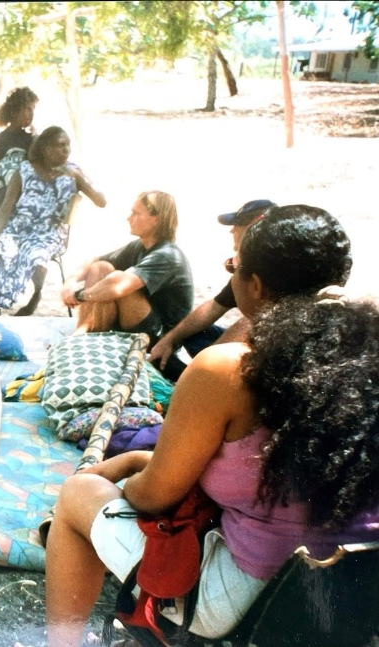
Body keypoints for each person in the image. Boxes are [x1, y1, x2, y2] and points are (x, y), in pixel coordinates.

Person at [44, 205, 377, 646]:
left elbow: (154, 494)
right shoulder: (365, 353)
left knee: (76, 496)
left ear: (254, 284)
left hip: (260, 600)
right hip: (359, 593)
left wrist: (126, 472)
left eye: (233, 266)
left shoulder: (229, 369)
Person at [0, 126, 106, 316]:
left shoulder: (74, 173)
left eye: (68, 145)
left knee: (36, 255)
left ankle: (34, 298)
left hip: (49, 232)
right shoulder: (25, 170)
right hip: (17, 228)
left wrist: (80, 179)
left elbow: (101, 202)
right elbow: (6, 206)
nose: (66, 150)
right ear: (46, 149)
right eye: (61, 145)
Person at [148, 199, 276, 381]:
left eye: (237, 225)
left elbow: (254, 322)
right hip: (251, 339)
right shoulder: (251, 263)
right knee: (190, 331)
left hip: (271, 345)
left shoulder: (272, 265)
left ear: (253, 227)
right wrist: (168, 340)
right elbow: (214, 306)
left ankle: (199, 378)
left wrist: (203, 369)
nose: (232, 231)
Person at [60, 190, 192, 346]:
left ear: (156, 219)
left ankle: (85, 334)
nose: (129, 218)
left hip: (162, 337)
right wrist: (70, 282)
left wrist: (79, 295)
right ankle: (85, 332)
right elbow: (94, 260)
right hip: (143, 321)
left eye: (136, 214)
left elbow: (118, 287)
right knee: (100, 268)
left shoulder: (167, 255)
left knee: (118, 284)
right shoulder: (140, 246)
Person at [0, 87, 38, 244]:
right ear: (14, 111)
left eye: (33, 110)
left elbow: (37, 164)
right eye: (27, 109)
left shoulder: (31, 141)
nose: (31, 114)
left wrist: (36, 138)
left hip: (22, 209)